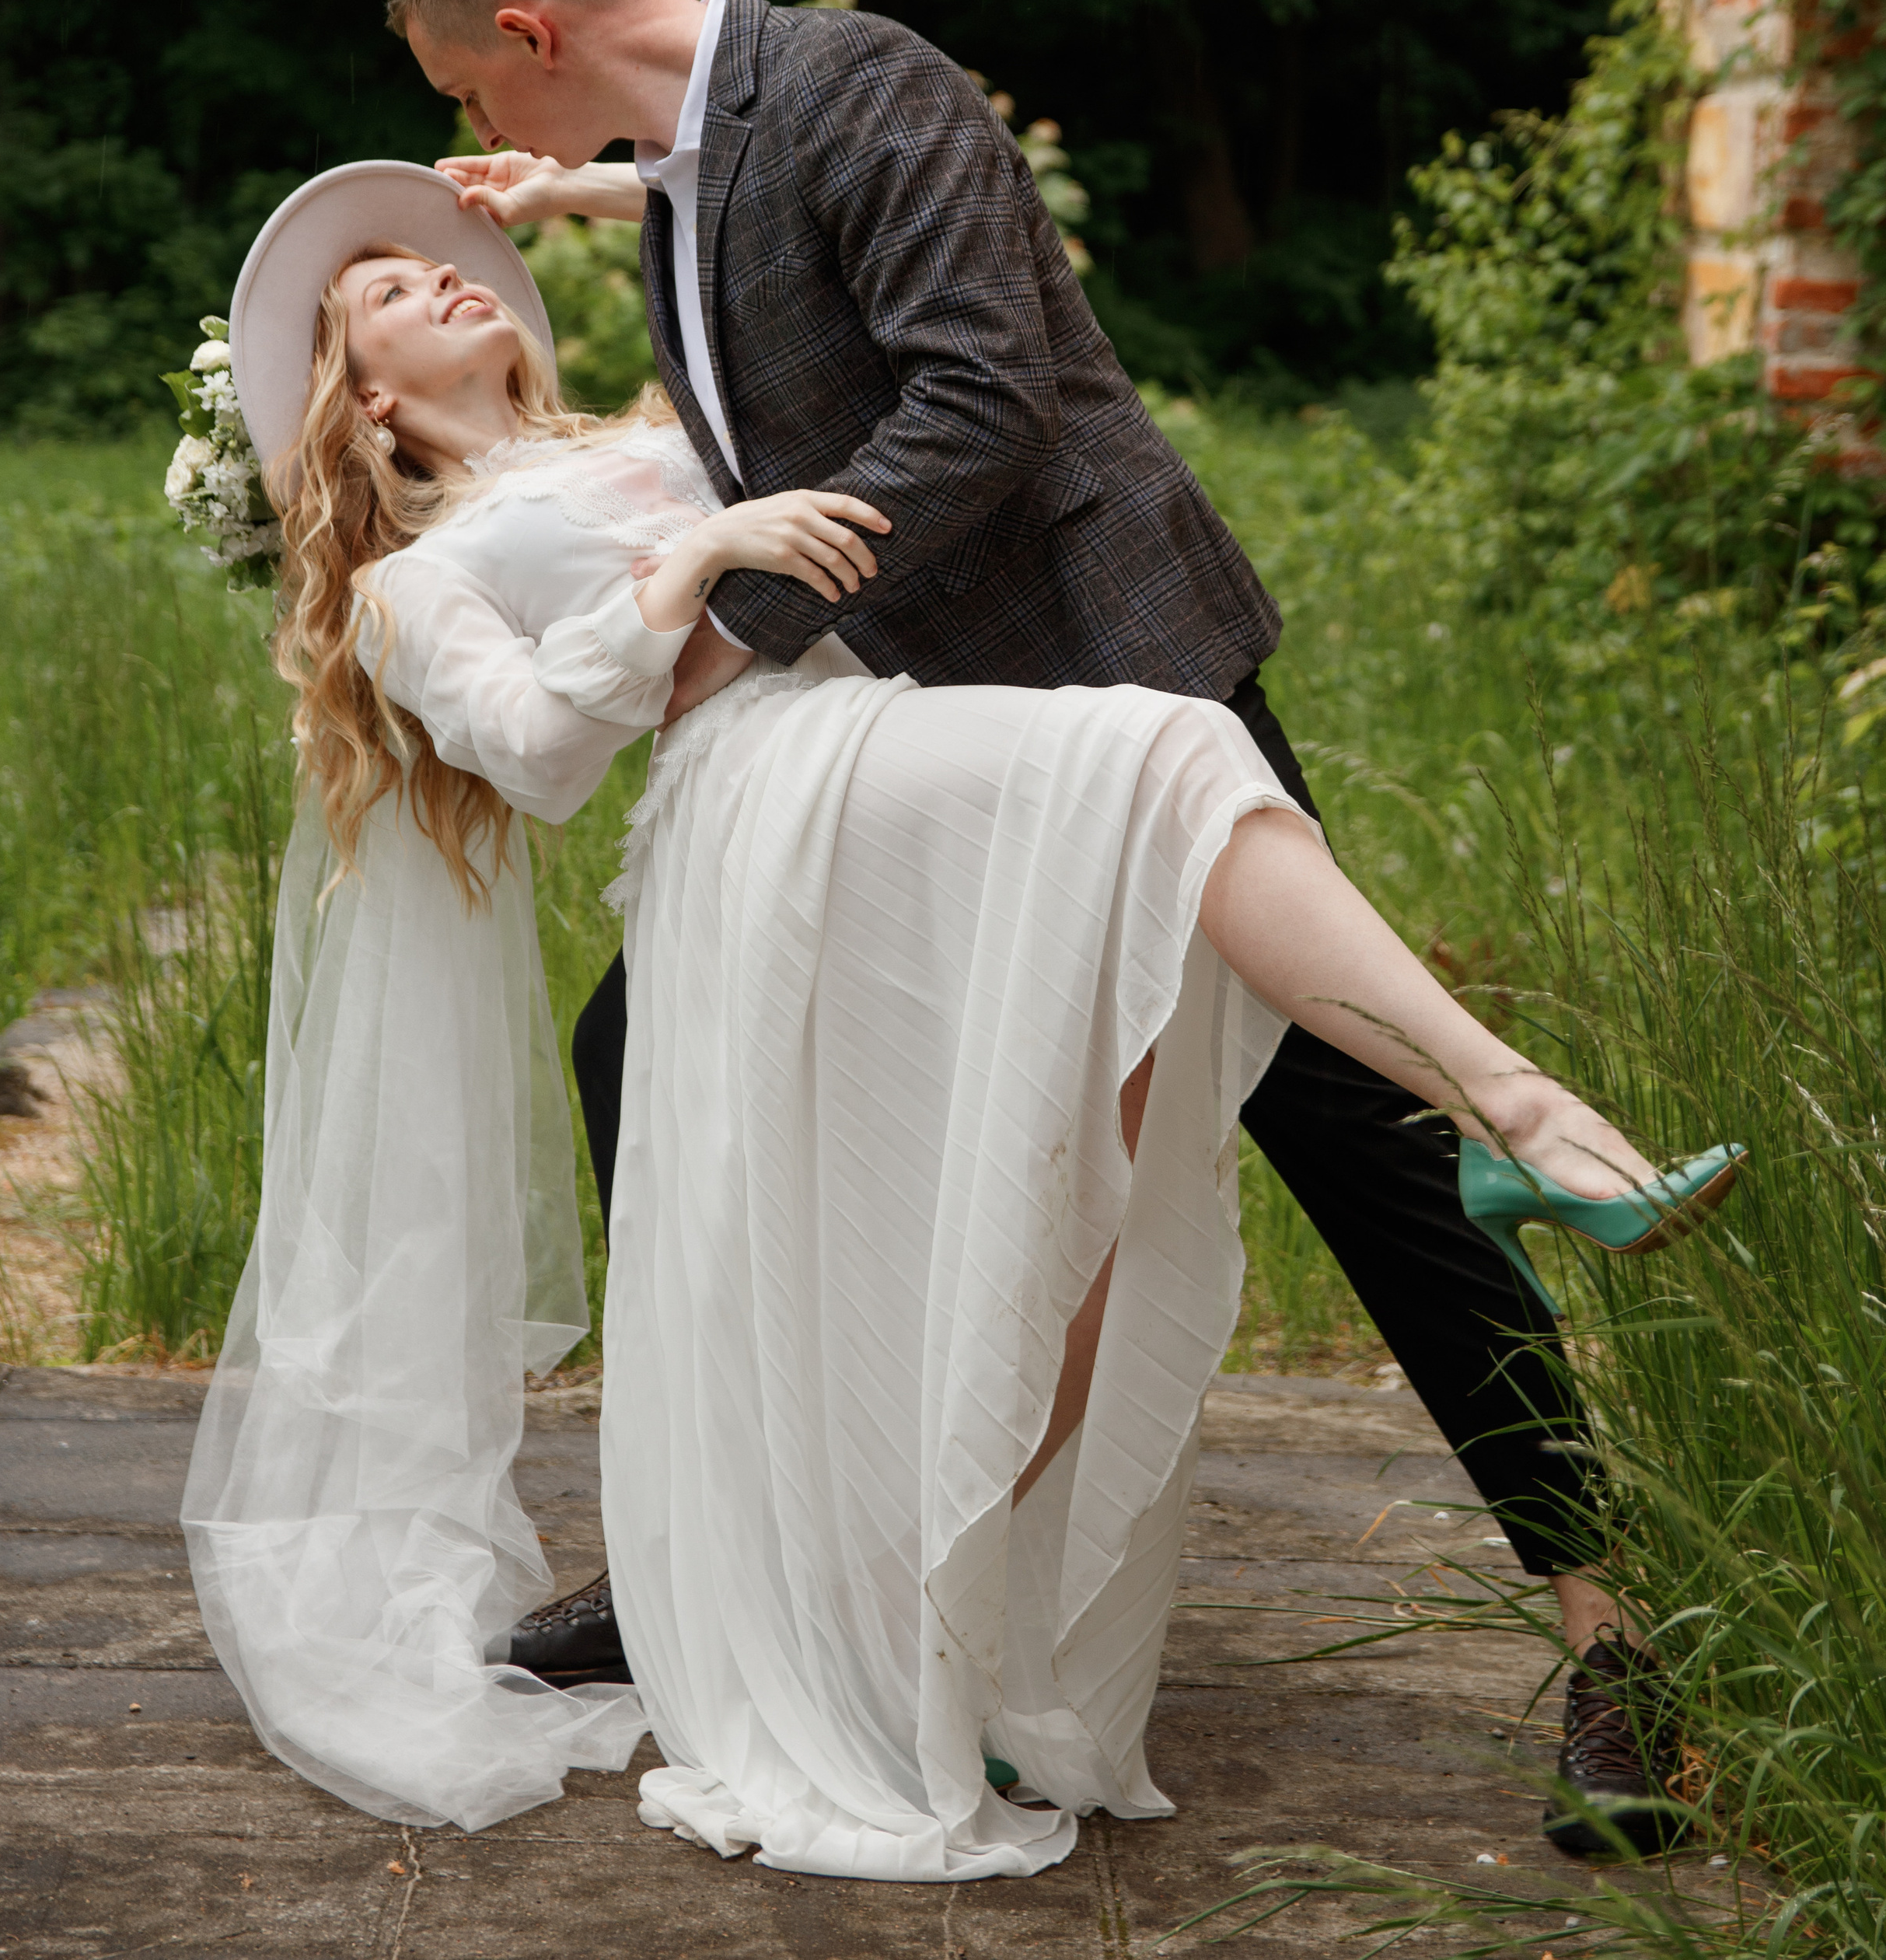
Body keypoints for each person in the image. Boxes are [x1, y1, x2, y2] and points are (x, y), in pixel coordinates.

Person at [183, 157, 1740, 1878]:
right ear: (371, 409)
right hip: (796, 804)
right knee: (689, 1020)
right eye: (389, 292)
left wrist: (619, 182)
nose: (445, 273)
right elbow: (540, 745)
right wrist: (701, 544)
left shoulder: (665, 404)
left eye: (441, 256)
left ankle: (990, 1617)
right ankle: (755, 1559)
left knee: (1142, 1143)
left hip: (943, 732)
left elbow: (803, 244)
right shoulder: (427, 572)